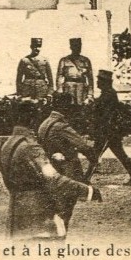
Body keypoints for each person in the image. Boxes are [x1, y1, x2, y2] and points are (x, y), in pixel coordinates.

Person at [0, 100, 100, 239]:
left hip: (14, 212)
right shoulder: (31, 148)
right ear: (33, 119)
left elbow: (7, 179)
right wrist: (88, 191)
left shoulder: (6, 145)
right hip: (37, 213)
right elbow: (53, 178)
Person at [37, 92, 95, 228]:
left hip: (48, 170)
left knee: (52, 207)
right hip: (66, 170)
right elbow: (83, 145)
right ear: (64, 107)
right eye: (69, 105)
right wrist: (92, 155)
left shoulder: (44, 123)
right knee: (65, 208)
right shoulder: (61, 126)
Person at [90, 69, 131, 185]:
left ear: (105, 82)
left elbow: (106, 115)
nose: (97, 82)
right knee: (119, 155)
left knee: (96, 154)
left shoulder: (109, 94)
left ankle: (84, 178)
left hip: (107, 131)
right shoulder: (108, 93)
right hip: (109, 131)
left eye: (99, 80)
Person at [55, 38, 93, 105]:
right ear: (71, 47)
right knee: (69, 108)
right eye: (75, 46)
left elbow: (90, 78)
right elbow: (59, 76)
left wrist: (90, 94)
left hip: (82, 88)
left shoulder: (86, 60)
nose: (78, 48)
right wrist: (60, 90)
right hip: (68, 88)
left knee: (81, 108)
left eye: (79, 46)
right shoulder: (64, 60)